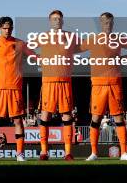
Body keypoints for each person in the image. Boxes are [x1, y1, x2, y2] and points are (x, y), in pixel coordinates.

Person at [0, 16, 38, 162]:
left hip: (15, 88)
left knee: (18, 121)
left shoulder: (19, 43)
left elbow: (35, 56)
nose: (7, 30)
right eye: (5, 27)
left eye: (10, 27)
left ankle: (20, 154)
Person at [81, 12, 127, 161]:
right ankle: (94, 153)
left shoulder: (118, 39)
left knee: (119, 118)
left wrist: (122, 59)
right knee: (95, 118)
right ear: (100, 24)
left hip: (115, 84)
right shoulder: (92, 39)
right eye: (105, 23)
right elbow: (73, 49)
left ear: (113, 24)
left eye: (110, 23)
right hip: (98, 85)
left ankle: (124, 153)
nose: (108, 25)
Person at [37, 10, 78, 161]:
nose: (57, 21)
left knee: (67, 115)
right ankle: (43, 152)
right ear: (50, 21)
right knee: (45, 115)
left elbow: (84, 47)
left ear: (62, 21)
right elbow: (26, 48)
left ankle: (68, 153)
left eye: (59, 19)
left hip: (65, 82)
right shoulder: (43, 37)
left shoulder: (71, 37)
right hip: (48, 82)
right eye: (54, 19)